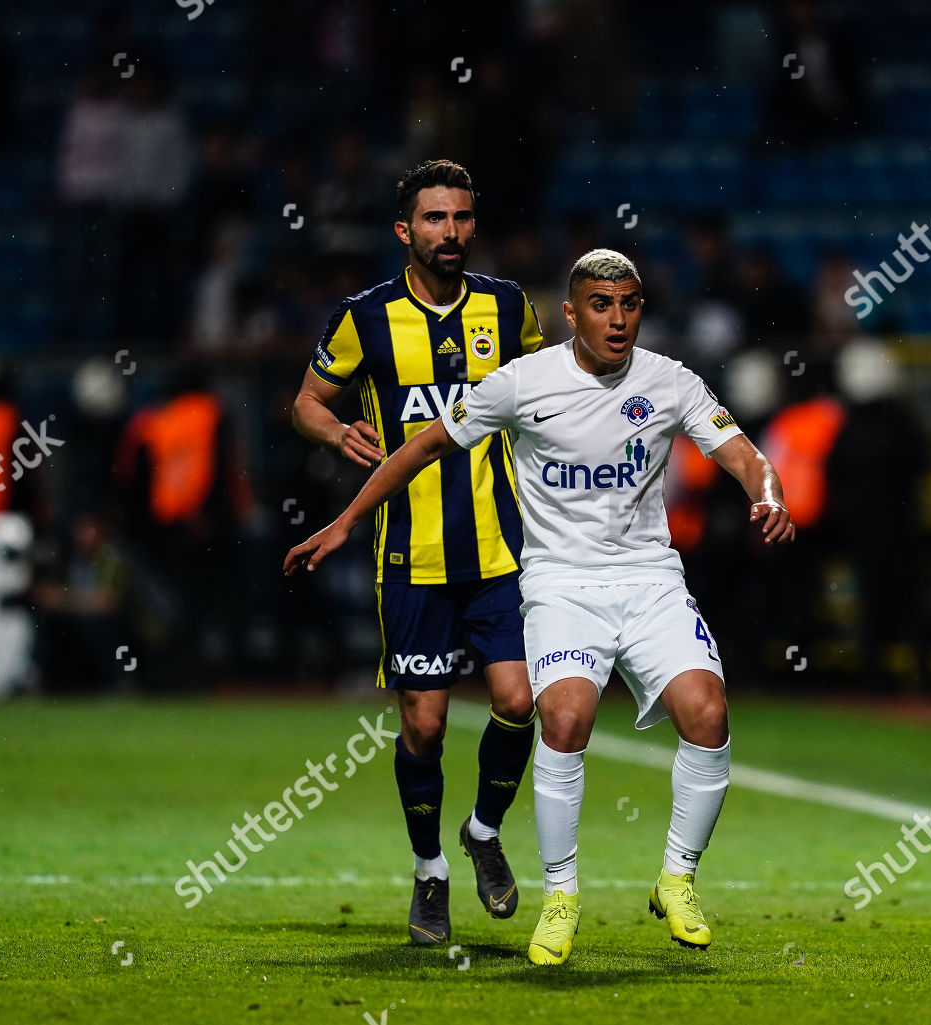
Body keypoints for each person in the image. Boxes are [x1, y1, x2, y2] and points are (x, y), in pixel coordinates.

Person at [284, 249, 794, 966]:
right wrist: (345, 520)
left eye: (630, 304)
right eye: (601, 305)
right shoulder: (522, 383)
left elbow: (742, 451)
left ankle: (677, 878)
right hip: (560, 584)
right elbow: (422, 445)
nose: (618, 320)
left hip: (649, 580)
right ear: (572, 312)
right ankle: (561, 896)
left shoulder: (669, 380)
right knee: (562, 716)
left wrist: (766, 492)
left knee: (708, 712)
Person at [289, 160, 545, 946]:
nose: (452, 232)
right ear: (405, 231)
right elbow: (305, 400)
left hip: (501, 548)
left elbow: (544, 393)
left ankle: (483, 831)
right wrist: (336, 431)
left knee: (519, 700)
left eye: (463, 218)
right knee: (425, 727)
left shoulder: (508, 308)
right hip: (411, 557)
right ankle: (431, 870)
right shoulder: (363, 318)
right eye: (435, 219)